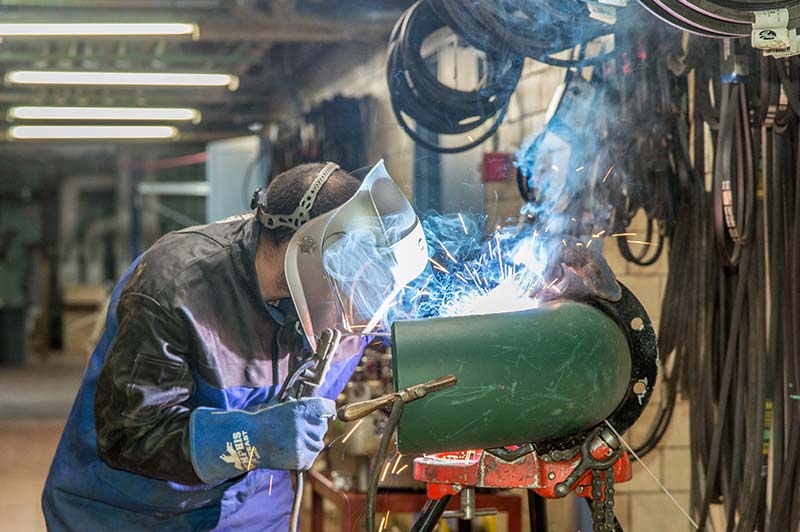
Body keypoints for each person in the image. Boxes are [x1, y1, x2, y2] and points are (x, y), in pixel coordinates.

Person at [42, 160, 428, 531]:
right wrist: (251, 438)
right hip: (133, 513)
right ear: (310, 251)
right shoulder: (174, 287)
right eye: (351, 279)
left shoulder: (339, 298)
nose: (363, 311)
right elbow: (128, 435)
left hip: (250, 512)